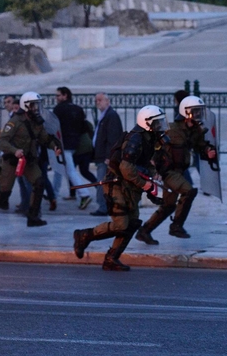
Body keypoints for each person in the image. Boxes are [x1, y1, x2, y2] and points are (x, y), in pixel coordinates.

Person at [73, 105, 168, 271]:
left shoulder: (149, 138)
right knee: (122, 224)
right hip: (116, 185)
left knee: (132, 223)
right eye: (157, 123)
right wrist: (144, 184)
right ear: (147, 123)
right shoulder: (135, 139)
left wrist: (153, 175)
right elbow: (126, 168)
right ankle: (84, 235)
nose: (160, 126)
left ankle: (111, 258)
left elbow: (145, 162)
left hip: (130, 187)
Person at [136, 96, 217, 244]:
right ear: (186, 112)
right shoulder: (172, 130)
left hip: (179, 171)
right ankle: (176, 226)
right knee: (189, 191)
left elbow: (200, 146)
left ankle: (144, 231)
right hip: (168, 171)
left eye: (200, 111)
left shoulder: (195, 131)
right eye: (195, 111)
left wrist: (208, 151)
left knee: (168, 205)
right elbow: (155, 146)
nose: (198, 114)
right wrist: (152, 166)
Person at [0, 92, 62, 228]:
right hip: (11, 161)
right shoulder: (15, 121)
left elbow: (44, 138)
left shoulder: (37, 122)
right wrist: (15, 150)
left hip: (28, 160)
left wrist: (54, 146)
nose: (36, 108)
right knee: (4, 192)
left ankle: (33, 217)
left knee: (39, 182)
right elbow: (2, 141)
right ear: (26, 106)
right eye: (34, 105)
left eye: (38, 105)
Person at [53, 87, 92, 209]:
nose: (56, 98)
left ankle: (84, 194)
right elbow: (83, 126)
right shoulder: (78, 109)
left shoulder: (59, 109)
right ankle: (53, 194)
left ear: (65, 95)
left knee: (70, 171)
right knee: (60, 169)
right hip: (75, 144)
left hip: (64, 144)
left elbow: (54, 127)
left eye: (58, 95)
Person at [91, 93, 123, 216]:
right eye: (96, 100)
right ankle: (105, 206)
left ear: (107, 101)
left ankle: (103, 207)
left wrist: (110, 156)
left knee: (103, 182)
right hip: (102, 156)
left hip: (106, 158)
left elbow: (113, 138)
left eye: (100, 100)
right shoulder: (105, 116)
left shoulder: (111, 116)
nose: (98, 102)